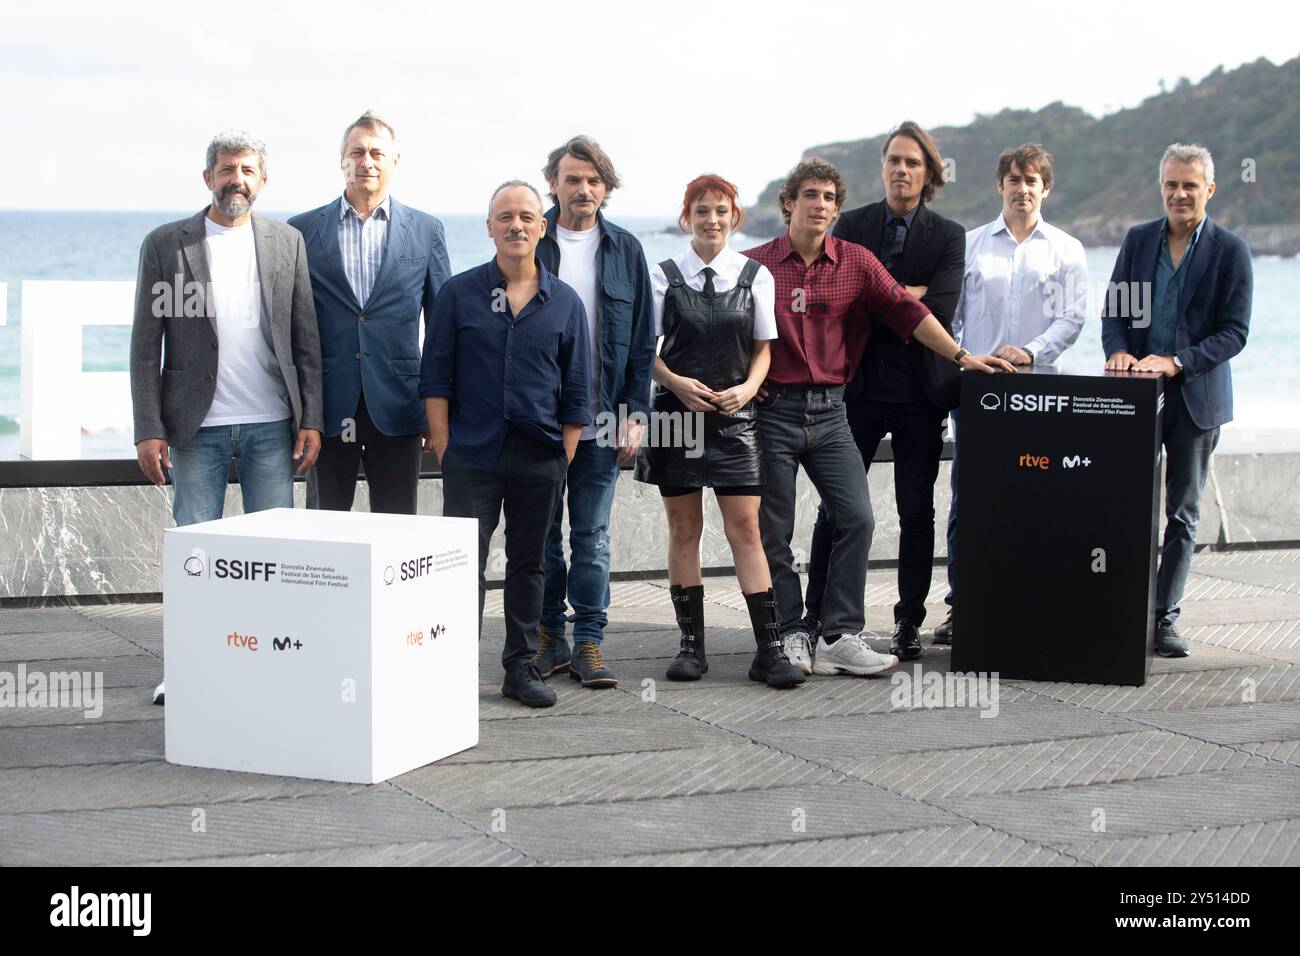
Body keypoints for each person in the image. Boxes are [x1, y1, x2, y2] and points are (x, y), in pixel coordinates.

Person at [743, 158, 1012, 677]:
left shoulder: (857, 262)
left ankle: (839, 634)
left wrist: (962, 357)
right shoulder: (754, 267)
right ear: (788, 203)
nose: (819, 204)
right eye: (809, 195)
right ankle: (791, 633)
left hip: (832, 412)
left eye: (828, 197)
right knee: (775, 530)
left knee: (857, 517)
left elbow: (911, 315)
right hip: (772, 410)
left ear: (836, 208)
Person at [131, 130, 323, 706]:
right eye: (224, 168)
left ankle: (271, 662)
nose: (234, 178)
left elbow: (305, 338)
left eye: (245, 169)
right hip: (196, 428)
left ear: (261, 180)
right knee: (195, 556)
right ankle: (190, 666)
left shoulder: (286, 242)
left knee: (274, 558)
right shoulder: (167, 245)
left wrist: (311, 416)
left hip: (271, 425)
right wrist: (148, 427)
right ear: (207, 177)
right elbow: (146, 346)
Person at [420, 181, 591, 708]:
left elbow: (580, 389)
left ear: (543, 227)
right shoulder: (458, 293)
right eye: (505, 216)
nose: (516, 225)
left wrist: (561, 456)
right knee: (460, 563)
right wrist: (446, 447)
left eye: (526, 216)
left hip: (540, 457)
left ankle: (520, 668)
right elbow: (435, 377)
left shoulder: (564, 302)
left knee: (530, 564)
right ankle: (451, 669)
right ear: (489, 227)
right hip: (471, 455)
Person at [802, 121, 965, 662]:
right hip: (859, 387)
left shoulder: (947, 234)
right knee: (838, 509)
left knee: (916, 509)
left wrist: (883, 294)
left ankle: (907, 622)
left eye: (913, 163)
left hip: (922, 392)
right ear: (883, 166)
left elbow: (939, 307)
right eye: (894, 160)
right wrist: (901, 298)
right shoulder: (852, 224)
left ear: (928, 173)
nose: (901, 170)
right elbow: (839, 295)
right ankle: (816, 616)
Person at [635, 175, 804, 688]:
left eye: (721, 211)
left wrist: (749, 390)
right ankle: (692, 648)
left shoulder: (756, 275)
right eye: (701, 211)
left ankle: (770, 652)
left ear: (736, 217)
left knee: (747, 531)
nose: (712, 220)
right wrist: (675, 384)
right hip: (674, 414)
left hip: (736, 416)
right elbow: (646, 351)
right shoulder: (661, 275)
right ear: (687, 217)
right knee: (684, 529)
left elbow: (764, 348)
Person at [1103, 144, 1251, 657]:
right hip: (1137, 399)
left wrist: (1178, 360)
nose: (1180, 194)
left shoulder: (1230, 250)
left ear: (1209, 189)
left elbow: (1235, 333)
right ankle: (1123, 608)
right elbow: (1115, 311)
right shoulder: (1139, 240)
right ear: (1161, 186)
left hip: (1196, 399)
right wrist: (1119, 349)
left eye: (1190, 185)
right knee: (1125, 507)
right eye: (1171, 184)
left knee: (1182, 514)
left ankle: (1165, 617)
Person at [937, 143, 1088, 644]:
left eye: (1032, 181)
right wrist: (965, 361)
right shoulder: (972, 245)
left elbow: (1072, 318)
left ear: (1046, 188)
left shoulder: (1067, 249)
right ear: (999, 185)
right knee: (970, 500)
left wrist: (1029, 351)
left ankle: (1032, 603)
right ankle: (963, 605)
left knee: (1038, 498)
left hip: (1041, 392)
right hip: (978, 393)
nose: (1022, 189)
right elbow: (952, 320)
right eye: (1014, 180)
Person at [533, 136, 656, 689]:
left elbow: (639, 343)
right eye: (573, 178)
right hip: (537, 417)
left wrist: (636, 414)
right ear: (553, 184)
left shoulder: (625, 250)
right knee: (538, 534)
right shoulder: (531, 241)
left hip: (604, 418)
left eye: (594, 180)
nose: (583, 189)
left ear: (606, 188)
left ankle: (589, 642)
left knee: (592, 535)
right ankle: (548, 637)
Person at [289, 112, 450, 514]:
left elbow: (443, 329)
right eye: (356, 152)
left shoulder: (426, 230)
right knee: (324, 527)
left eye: (377, 152)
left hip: (399, 405)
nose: (367, 161)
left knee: (397, 528)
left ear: (396, 160)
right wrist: (298, 410)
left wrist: (438, 410)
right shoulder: (302, 230)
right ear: (342, 161)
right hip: (327, 409)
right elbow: (290, 327)